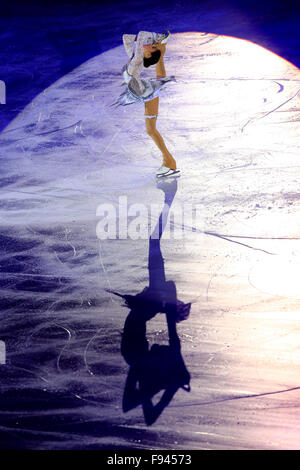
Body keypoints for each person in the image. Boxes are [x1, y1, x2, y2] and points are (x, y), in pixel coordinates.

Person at [112, 31, 179, 178]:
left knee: (150, 129)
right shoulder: (135, 58)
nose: (147, 45)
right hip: (140, 92)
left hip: (145, 93)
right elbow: (125, 37)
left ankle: (169, 161)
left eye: (151, 47)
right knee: (150, 129)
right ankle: (169, 161)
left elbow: (142, 34)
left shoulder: (137, 58)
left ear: (148, 55)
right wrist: (151, 41)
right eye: (149, 45)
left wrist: (156, 37)